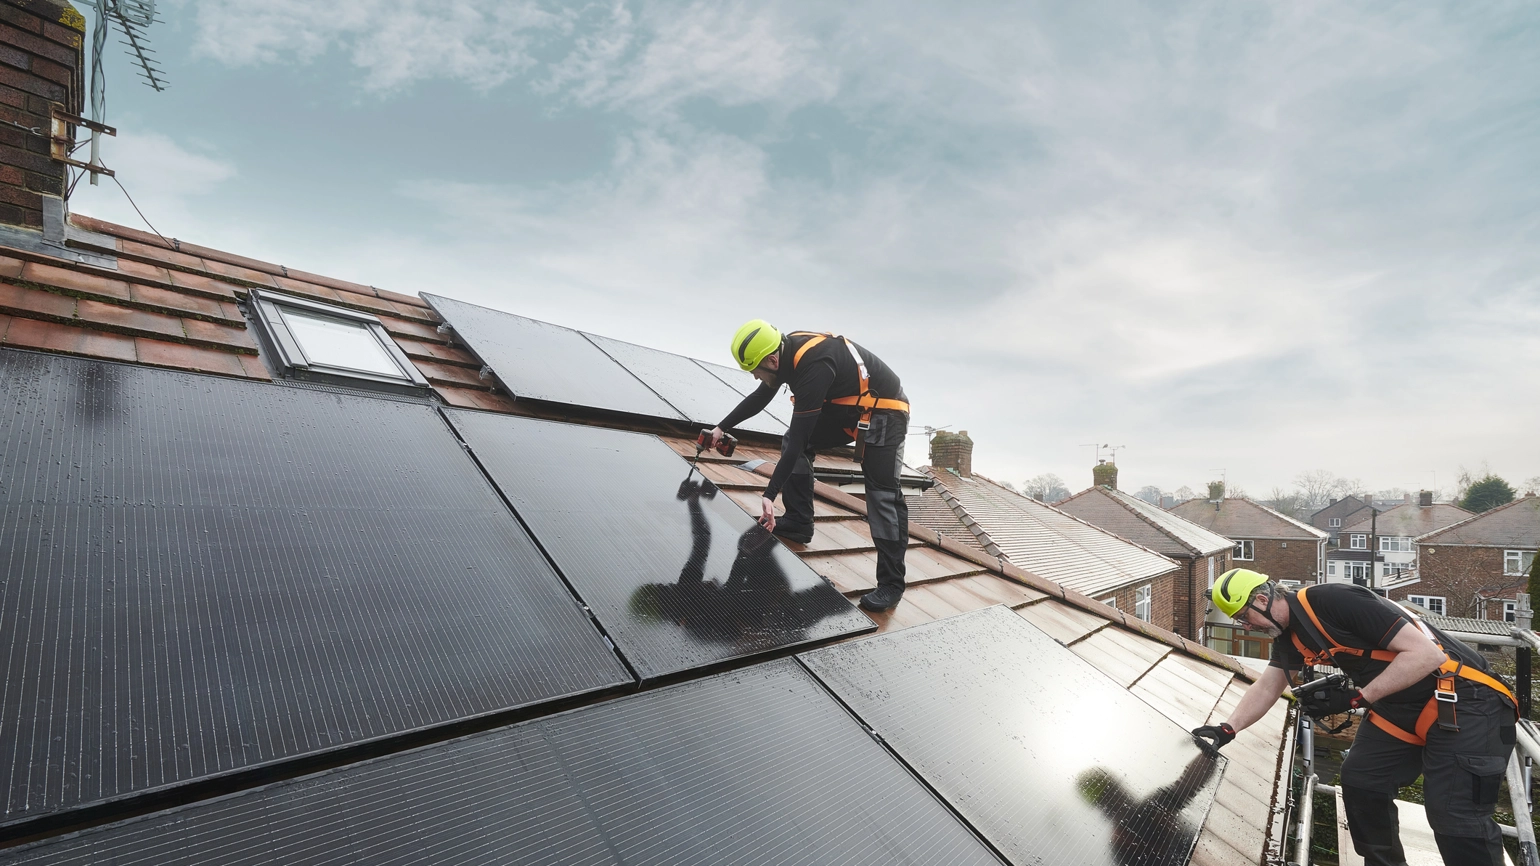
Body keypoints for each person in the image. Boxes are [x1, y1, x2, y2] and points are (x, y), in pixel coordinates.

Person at [1192, 568, 1517, 866]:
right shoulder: (1288, 637)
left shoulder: (1334, 601)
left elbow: (1426, 655)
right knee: (1363, 782)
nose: (1244, 626)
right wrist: (1227, 729)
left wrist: (1357, 698)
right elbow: (1268, 686)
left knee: (1454, 814)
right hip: (1399, 708)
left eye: (1244, 617)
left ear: (1262, 600)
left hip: (1467, 703)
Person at [707, 320, 910, 612]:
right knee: (792, 441)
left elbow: (802, 437)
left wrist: (769, 493)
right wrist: (720, 428)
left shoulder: (814, 366)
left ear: (772, 360)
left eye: (756, 371)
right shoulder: (785, 352)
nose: (754, 377)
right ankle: (800, 522)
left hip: (884, 413)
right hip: (849, 409)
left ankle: (892, 583)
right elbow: (761, 396)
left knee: (883, 495)